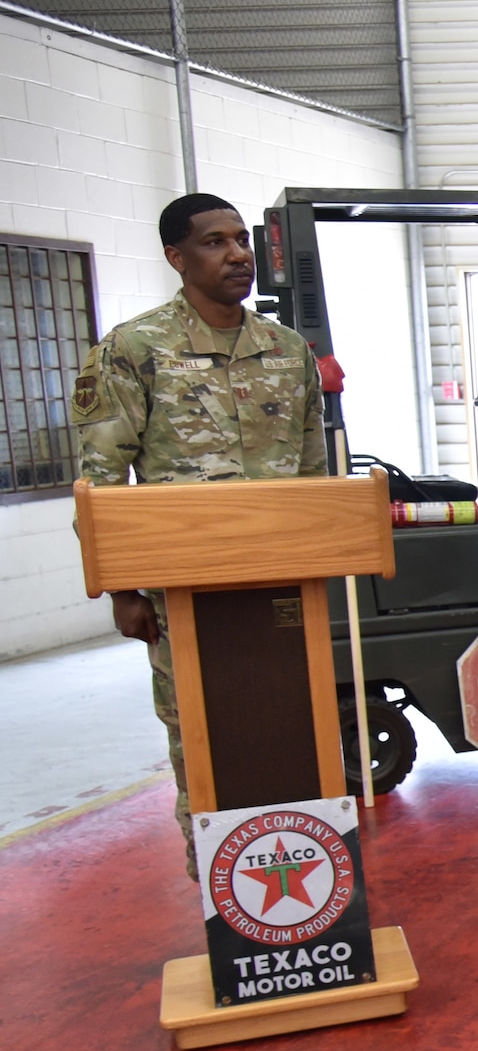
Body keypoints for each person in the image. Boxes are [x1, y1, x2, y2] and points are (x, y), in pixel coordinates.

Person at [72, 193, 326, 879]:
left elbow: (313, 476)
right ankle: (221, 892)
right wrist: (122, 592)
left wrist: (323, 564)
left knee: (292, 734)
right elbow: (98, 483)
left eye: (241, 239)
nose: (238, 254)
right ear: (176, 258)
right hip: (184, 595)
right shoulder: (134, 350)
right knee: (204, 742)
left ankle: (305, 888)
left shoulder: (287, 351)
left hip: (281, 588)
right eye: (215, 242)